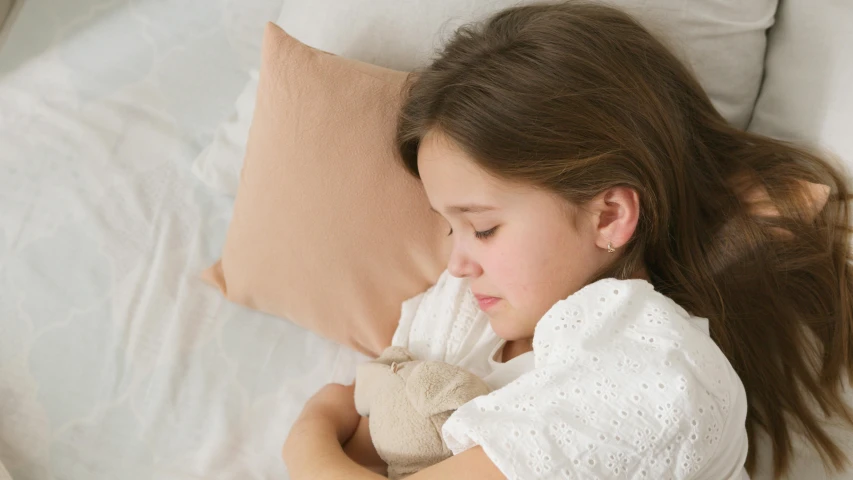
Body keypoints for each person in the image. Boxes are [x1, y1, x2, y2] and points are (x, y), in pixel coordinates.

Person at [282, 1, 853, 479]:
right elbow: (367, 426)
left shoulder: (658, 375)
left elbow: (343, 425)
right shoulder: (461, 311)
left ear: (608, 216)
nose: (456, 262)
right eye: (448, 225)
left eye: (483, 227)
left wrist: (305, 436)